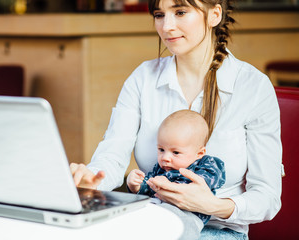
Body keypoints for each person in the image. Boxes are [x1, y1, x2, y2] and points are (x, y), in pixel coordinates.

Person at [70, 0, 282, 239]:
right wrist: (92, 180)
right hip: (153, 224)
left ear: (214, 15)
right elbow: (111, 157)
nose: (166, 26)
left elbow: (267, 196)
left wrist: (212, 205)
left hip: (217, 230)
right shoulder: (142, 78)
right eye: (159, 15)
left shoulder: (253, 86)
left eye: (180, 12)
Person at [127, 109, 226, 226]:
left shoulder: (206, 164)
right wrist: (136, 185)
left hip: (188, 215)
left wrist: (169, 186)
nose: (165, 158)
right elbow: (147, 187)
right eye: (161, 150)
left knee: (171, 225)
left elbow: (206, 182)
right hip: (157, 209)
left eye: (176, 152)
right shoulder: (161, 168)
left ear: (199, 153)